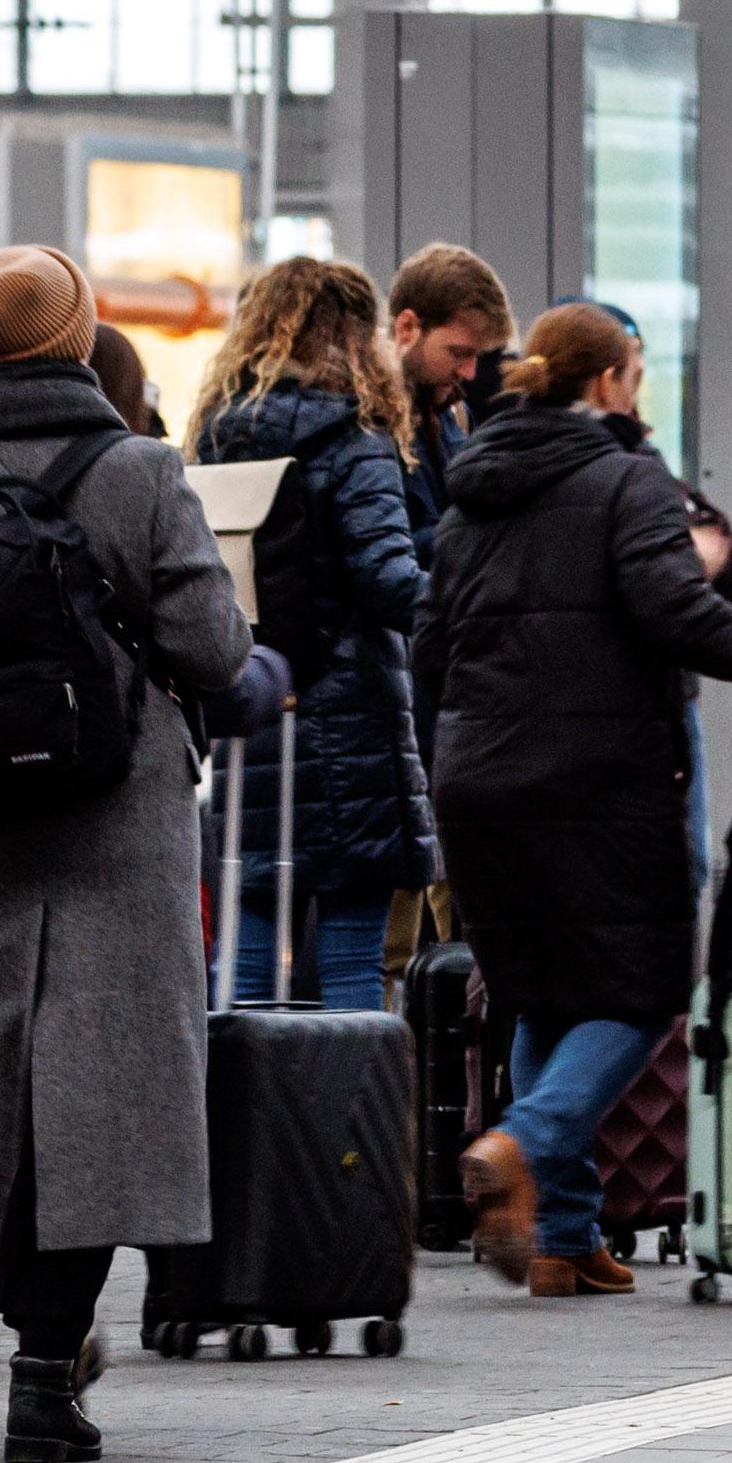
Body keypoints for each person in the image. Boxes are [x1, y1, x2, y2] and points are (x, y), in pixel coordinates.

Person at [0, 246, 261, 1463]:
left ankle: (28, 1318)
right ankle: (44, 1363)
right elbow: (214, 650)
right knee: (102, 1090)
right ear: (80, 341)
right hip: (115, 821)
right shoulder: (139, 471)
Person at [417, 303, 732, 1295]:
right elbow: (671, 607)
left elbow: (425, 647)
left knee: (543, 987)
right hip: (594, 777)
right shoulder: (625, 481)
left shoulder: (470, 498)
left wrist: (447, 759)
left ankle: (562, 1238)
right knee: (642, 989)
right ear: (609, 384)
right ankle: (521, 1144)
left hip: (477, 780)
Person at [190, 258, 437, 1009]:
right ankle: (345, 1130)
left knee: (248, 958)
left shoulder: (218, 435)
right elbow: (389, 581)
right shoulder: (355, 435)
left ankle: (244, 1126)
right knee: (354, 966)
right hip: (350, 726)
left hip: (253, 708)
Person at [388, 243, 516, 532]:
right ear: (407, 328)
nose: (469, 373)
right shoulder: (366, 419)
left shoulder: (454, 411)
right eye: (458, 353)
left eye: (477, 356)